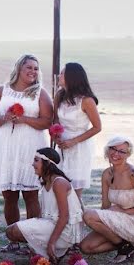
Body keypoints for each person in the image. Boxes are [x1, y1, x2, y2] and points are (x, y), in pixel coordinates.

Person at [0, 54, 54, 253]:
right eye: (29, 67)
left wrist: (24, 119)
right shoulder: (2, 90)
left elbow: (47, 121)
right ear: (19, 68)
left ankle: (33, 240)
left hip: (30, 146)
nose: (33, 71)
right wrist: (5, 118)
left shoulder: (39, 93)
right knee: (9, 196)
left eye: (36, 68)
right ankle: (13, 239)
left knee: (31, 194)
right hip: (6, 146)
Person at [80, 136, 134, 262]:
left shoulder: (133, 174)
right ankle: (128, 246)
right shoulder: (107, 174)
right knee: (86, 247)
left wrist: (126, 212)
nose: (116, 154)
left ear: (128, 155)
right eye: (113, 149)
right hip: (120, 218)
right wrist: (104, 220)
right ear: (107, 150)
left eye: (122, 151)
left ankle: (124, 247)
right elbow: (105, 206)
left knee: (88, 215)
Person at [5, 148, 85, 261]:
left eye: (36, 160)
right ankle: (45, 251)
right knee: (10, 231)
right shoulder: (46, 181)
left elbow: (64, 216)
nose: (33, 164)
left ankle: (55, 246)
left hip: (65, 231)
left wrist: (51, 243)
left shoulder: (59, 183)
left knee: (13, 231)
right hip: (50, 223)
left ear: (47, 163)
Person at [53, 62, 102, 201]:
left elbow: (97, 127)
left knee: (74, 193)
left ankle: (76, 221)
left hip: (80, 147)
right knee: (59, 188)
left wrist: (73, 141)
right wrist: (56, 134)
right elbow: (55, 119)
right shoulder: (59, 96)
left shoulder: (86, 100)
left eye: (62, 73)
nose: (59, 76)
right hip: (61, 146)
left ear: (71, 77)